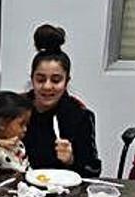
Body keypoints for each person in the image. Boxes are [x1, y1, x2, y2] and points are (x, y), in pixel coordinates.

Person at [22, 24, 101, 177]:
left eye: (56, 80)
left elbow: (93, 169)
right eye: (40, 79)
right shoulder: (16, 108)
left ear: (66, 81)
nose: (47, 86)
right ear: (32, 79)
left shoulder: (80, 116)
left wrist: (71, 160)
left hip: (62, 193)